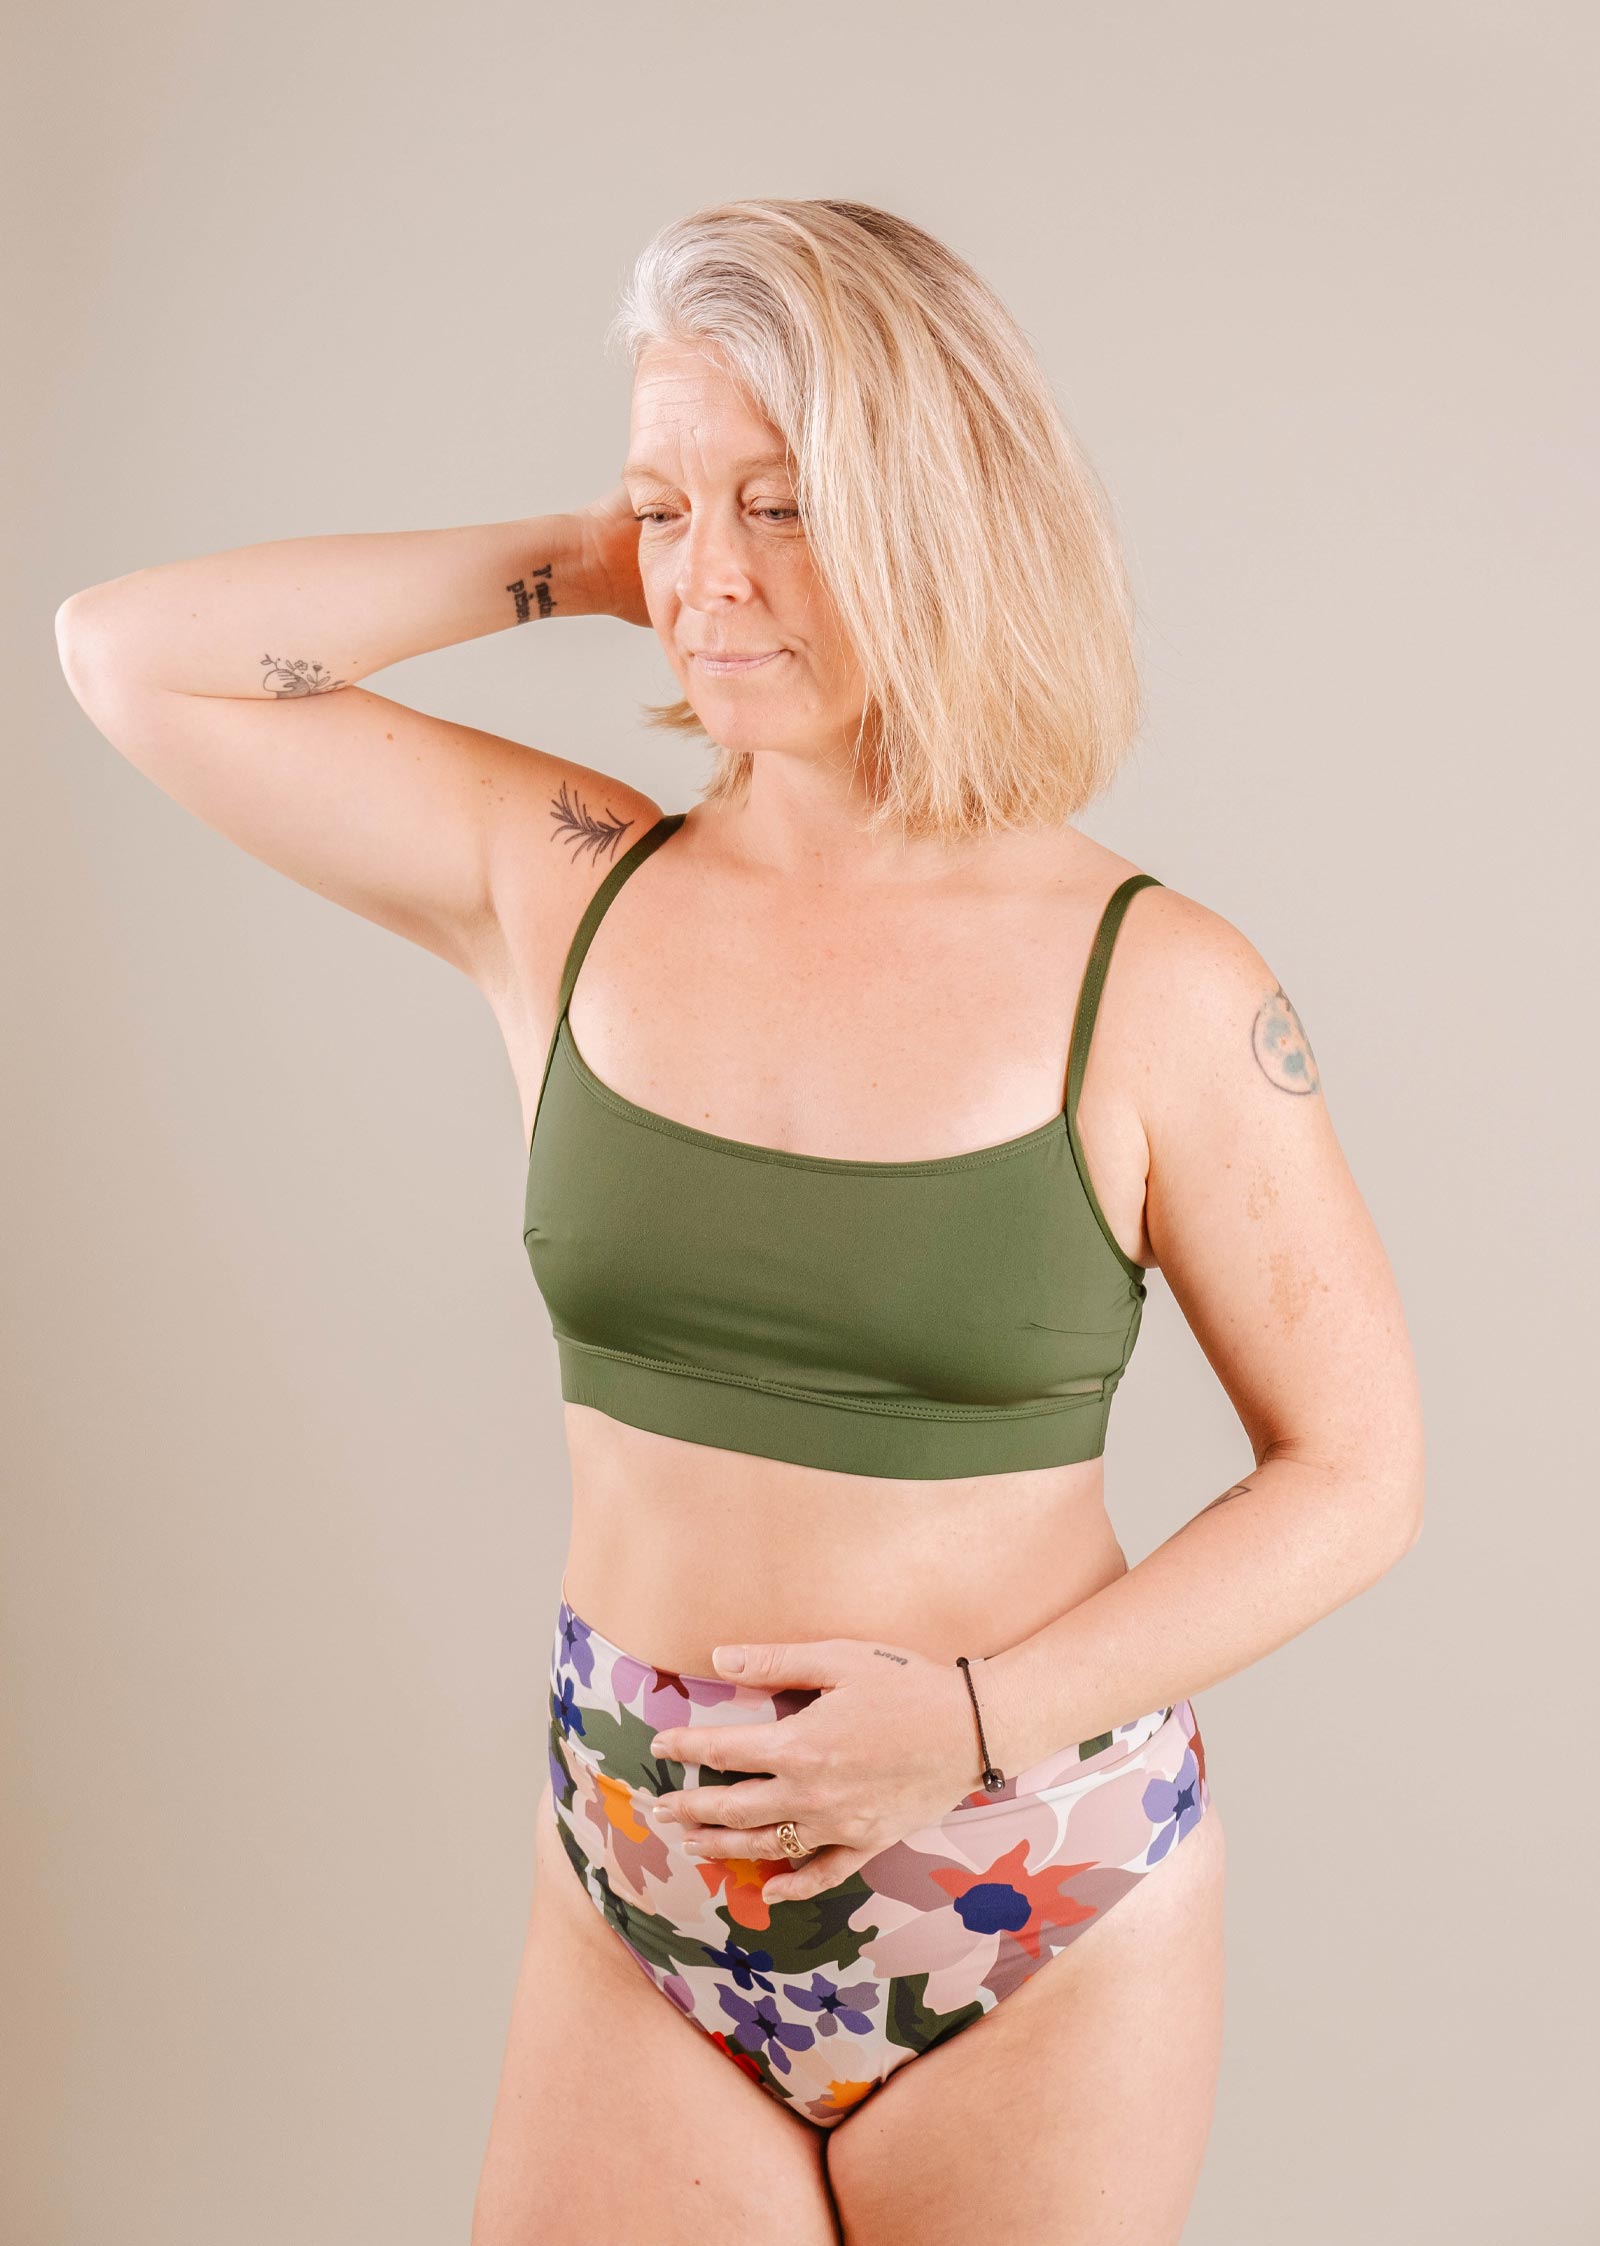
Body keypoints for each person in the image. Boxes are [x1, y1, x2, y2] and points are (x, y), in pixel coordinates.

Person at [55, 197, 1425, 2244]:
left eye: (783, 507)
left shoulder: (1152, 980)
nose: (707, 578)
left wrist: (967, 1722)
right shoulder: (568, 877)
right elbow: (128, 654)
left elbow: (1357, 1475)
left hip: (1018, 1877)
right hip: (633, 1873)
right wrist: (602, 550)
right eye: (666, 512)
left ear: (935, 513)